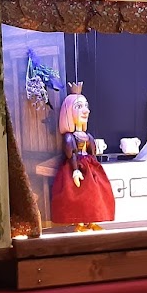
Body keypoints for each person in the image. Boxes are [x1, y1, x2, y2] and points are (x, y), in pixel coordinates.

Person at [49, 84, 115, 230]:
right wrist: (75, 170)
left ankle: (92, 221)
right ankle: (79, 223)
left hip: (89, 167)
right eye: (79, 107)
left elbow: (92, 153)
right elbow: (71, 153)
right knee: (78, 195)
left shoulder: (87, 135)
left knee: (94, 194)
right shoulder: (69, 137)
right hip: (76, 167)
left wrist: (96, 169)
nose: (85, 110)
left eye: (86, 106)